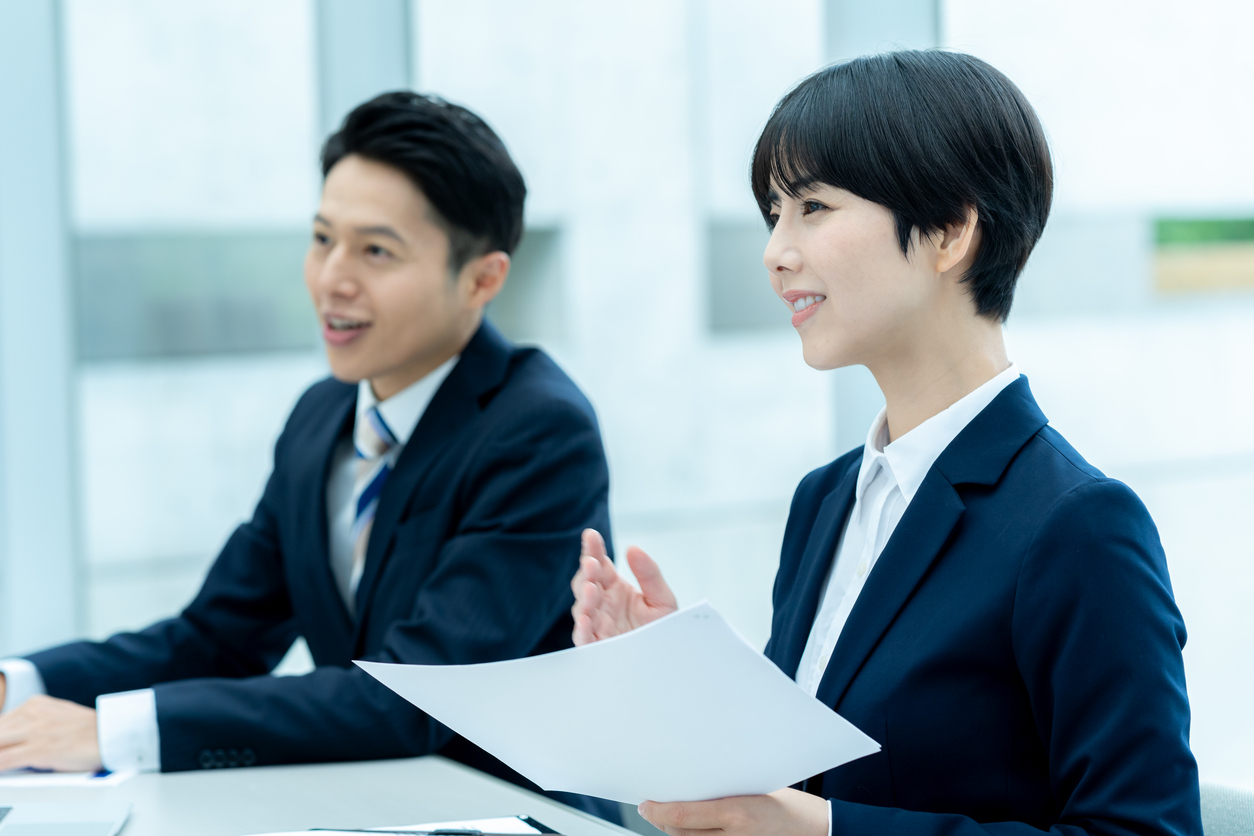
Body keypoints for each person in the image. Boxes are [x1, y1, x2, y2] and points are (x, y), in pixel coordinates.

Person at [571, 51, 1201, 836]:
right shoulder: (828, 499)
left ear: (949, 230)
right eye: (774, 211)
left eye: (814, 207)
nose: (776, 251)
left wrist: (828, 831)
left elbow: (1145, 830)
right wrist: (679, 683)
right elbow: (800, 776)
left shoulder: (1077, 526)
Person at [0, 92, 616, 820]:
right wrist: (23, 682)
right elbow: (217, 637)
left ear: (483, 279)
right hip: (357, 812)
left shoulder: (539, 431)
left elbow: (413, 697)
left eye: (376, 251)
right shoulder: (320, 418)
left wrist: (115, 733)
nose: (332, 278)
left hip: (507, 821)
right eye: (323, 239)